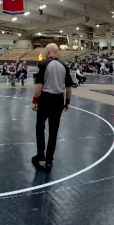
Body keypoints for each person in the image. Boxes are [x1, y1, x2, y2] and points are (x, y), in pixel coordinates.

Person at [32, 43, 74, 171]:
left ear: (49, 51)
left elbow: (39, 86)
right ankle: (49, 160)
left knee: (40, 127)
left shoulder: (43, 64)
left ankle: (40, 155)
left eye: (46, 51)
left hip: (45, 99)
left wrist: (35, 100)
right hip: (58, 100)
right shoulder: (64, 66)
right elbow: (68, 87)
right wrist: (67, 102)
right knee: (53, 131)